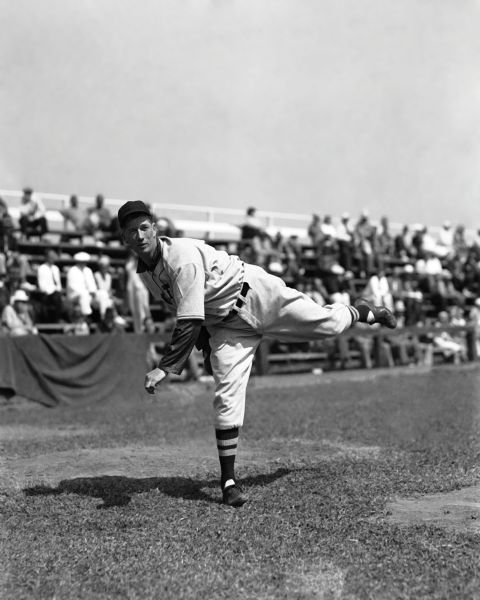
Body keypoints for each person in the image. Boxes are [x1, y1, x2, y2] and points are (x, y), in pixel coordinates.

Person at [117, 200, 397, 508]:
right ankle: (228, 481)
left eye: (144, 227)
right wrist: (207, 343)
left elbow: (189, 319)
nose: (140, 235)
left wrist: (165, 367)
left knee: (328, 325)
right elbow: (192, 310)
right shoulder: (147, 274)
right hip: (227, 327)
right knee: (226, 395)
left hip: (254, 293)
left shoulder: (180, 258)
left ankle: (361, 310)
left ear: (154, 229)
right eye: (132, 231)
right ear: (125, 237)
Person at [37, 248, 64, 322]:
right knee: (56, 297)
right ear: (46, 257)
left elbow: (58, 284)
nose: (52, 258)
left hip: (56, 294)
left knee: (59, 297)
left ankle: (58, 319)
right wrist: (51, 290)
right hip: (47, 294)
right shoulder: (42, 268)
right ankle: (56, 320)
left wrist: (57, 290)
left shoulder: (56, 268)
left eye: (53, 256)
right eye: (50, 256)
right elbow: (42, 286)